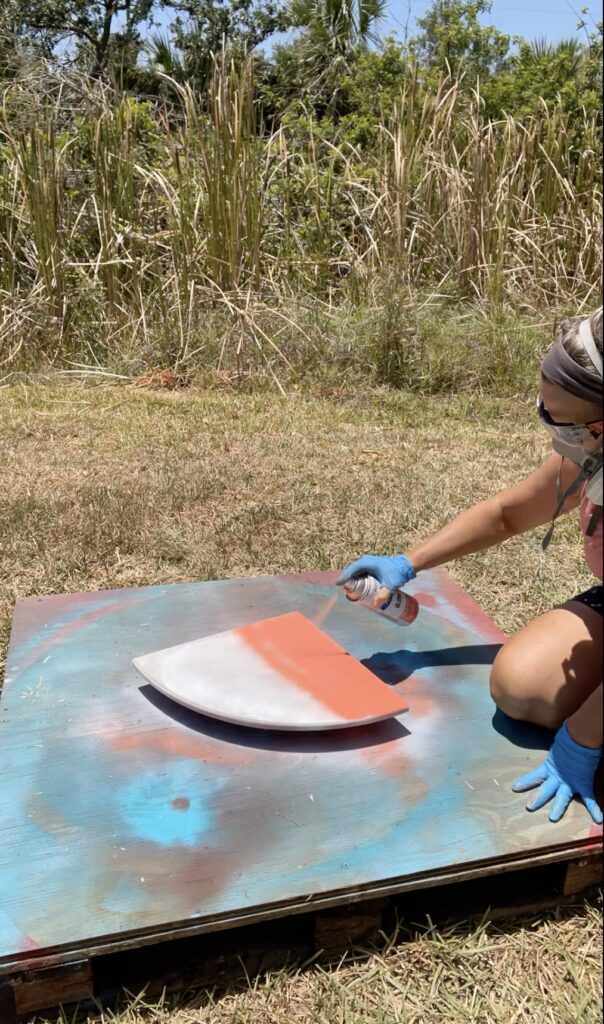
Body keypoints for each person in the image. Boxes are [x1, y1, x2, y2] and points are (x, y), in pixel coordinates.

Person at [337, 309, 603, 825]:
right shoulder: (590, 447)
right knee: (524, 687)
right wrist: (407, 564)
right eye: (542, 409)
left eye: (558, 419)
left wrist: (583, 739)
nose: (550, 429)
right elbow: (508, 514)